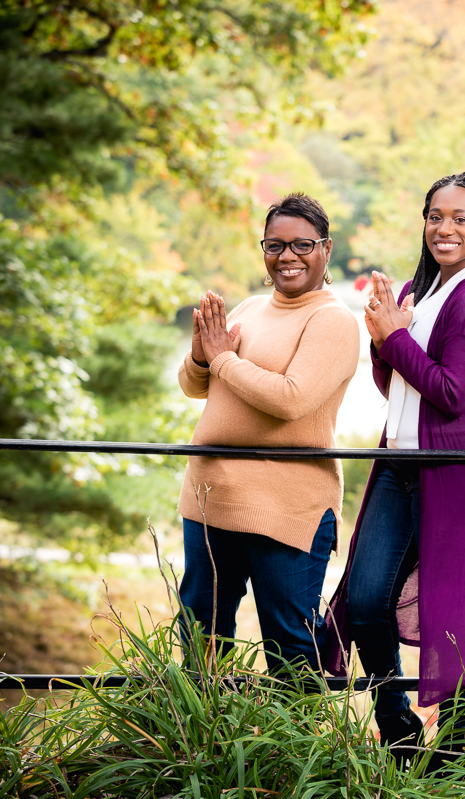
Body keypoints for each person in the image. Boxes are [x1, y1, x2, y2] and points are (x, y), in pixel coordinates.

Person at [324, 173, 465, 767]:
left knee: (453, 614)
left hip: (456, 471)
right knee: (365, 596)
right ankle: (397, 725)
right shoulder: (417, 290)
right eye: (436, 215)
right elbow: (395, 384)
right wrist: (384, 339)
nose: (445, 228)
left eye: (461, 218)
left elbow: (452, 393)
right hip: (399, 464)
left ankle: (451, 754)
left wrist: (394, 338)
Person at [177, 193, 359, 676]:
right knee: (201, 629)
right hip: (210, 493)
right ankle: (202, 738)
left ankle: (292, 748)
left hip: (287, 503)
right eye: (275, 245)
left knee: (290, 642)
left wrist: (222, 359)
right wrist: (201, 356)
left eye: (303, 245)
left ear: (326, 248)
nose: (288, 256)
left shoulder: (333, 320)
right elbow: (195, 387)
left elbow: (291, 399)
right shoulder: (251, 307)